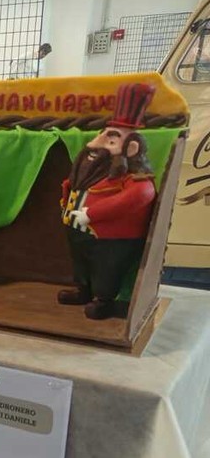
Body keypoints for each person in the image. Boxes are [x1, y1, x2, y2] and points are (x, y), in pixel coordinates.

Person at [58, 82, 156, 320]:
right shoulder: (95, 168)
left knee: (106, 267)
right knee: (81, 262)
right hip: (78, 230)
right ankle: (83, 289)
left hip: (110, 237)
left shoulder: (136, 179)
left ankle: (104, 300)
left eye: (111, 141)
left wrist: (92, 214)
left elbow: (139, 196)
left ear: (131, 149)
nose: (97, 144)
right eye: (101, 136)